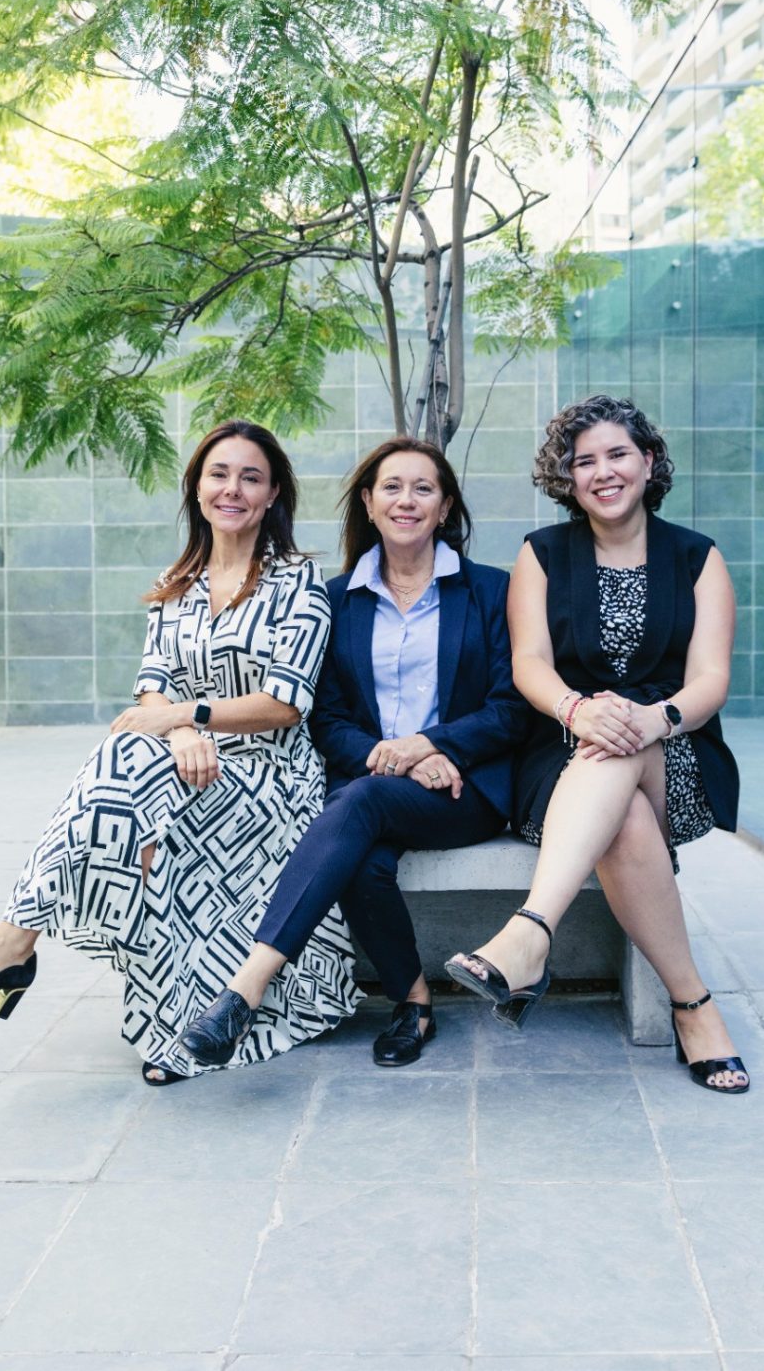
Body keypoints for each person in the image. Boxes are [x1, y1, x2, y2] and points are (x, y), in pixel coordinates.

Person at [0, 419, 359, 1084]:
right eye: (219, 474)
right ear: (197, 487)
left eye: (250, 478)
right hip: (186, 760)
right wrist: (179, 732)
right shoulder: (175, 582)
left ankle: (14, 941)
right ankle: (48, 959)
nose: (232, 489)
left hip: (271, 777)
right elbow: (152, 687)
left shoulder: (297, 580)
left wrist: (186, 715)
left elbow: (285, 704)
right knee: (127, 764)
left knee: (126, 772)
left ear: (272, 496)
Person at [178, 437, 530, 1070]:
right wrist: (397, 756)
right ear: (368, 503)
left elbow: (511, 707)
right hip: (374, 784)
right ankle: (414, 1003)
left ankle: (245, 989)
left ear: (445, 506)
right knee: (363, 860)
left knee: (359, 804)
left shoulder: (489, 591)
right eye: (391, 487)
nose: (406, 500)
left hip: (461, 790)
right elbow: (327, 717)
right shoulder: (335, 598)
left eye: (423, 488)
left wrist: (432, 744)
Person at [447, 395, 749, 1094]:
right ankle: (694, 1007)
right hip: (563, 753)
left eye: (618, 454)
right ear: (568, 478)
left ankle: (530, 933)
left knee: (627, 739)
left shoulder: (697, 558)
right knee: (624, 812)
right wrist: (578, 710)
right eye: (585, 462)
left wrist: (655, 718)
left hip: (674, 748)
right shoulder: (543, 554)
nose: (603, 472)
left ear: (649, 461)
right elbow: (530, 663)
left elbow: (711, 679)